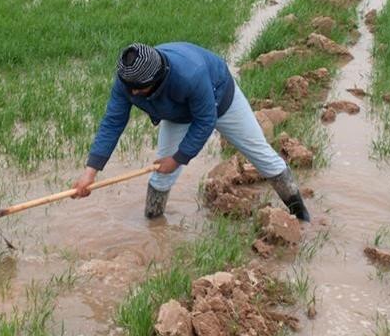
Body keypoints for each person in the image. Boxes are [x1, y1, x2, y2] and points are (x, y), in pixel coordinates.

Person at [72, 42, 310, 221]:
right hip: (177, 113)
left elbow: (206, 121)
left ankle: (300, 216)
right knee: (161, 176)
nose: (132, 95)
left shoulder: (189, 74)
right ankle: (154, 225)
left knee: (262, 156)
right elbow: (112, 123)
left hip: (222, 100)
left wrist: (178, 159)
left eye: (139, 89)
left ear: (157, 80)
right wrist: (91, 172)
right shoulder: (128, 81)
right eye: (129, 89)